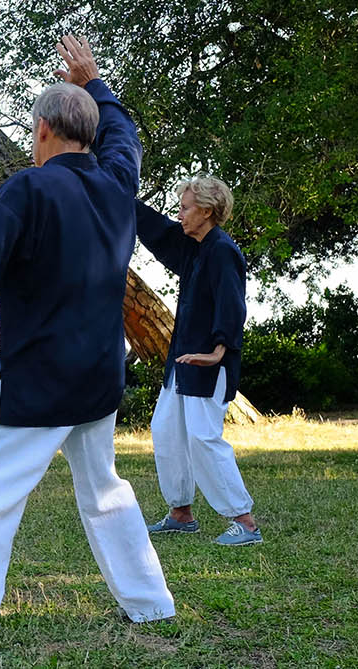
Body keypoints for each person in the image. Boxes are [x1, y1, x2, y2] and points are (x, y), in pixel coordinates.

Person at [0, 36, 175, 650]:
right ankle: (150, 604)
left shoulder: (29, 188)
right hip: (99, 378)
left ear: (41, 129)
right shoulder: (118, 185)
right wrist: (96, 82)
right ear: (87, 136)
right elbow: (127, 140)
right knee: (103, 491)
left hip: (39, 381)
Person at [135, 178, 261, 546]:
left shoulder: (222, 250)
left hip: (208, 363)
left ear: (207, 211)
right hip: (183, 360)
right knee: (166, 431)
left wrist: (219, 350)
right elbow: (160, 232)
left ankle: (245, 522)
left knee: (204, 438)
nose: (180, 214)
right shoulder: (195, 248)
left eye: (186, 208)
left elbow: (232, 304)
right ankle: (181, 513)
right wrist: (120, 196)